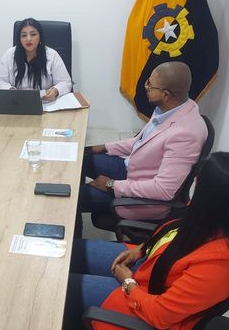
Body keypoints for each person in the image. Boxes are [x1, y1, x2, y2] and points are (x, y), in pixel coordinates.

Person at [65, 152, 229, 330]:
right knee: (69, 252)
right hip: (149, 264)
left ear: (213, 200)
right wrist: (141, 249)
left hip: (145, 304)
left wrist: (128, 282)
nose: (192, 185)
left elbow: (159, 315)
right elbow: (171, 234)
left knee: (62, 288)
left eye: (198, 183)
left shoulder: (220, 266)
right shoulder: (214, 219)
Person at [78, 62, 206, 224]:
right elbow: (140, 142)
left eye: (150, 85)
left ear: (165, 94)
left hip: (143, 200)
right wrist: (103, 147)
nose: (146, 87)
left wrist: (112, 185)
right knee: (81, 160)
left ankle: (72, 236)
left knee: (74, 197)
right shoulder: (171, 108)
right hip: (134, 168)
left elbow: (163, 190)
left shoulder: (185, 135)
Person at [0, 18, 72, 102]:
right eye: (24, 35)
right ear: (19, 39)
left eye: (33, 34)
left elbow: (65, 82)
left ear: (40, 37)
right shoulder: (9, 55)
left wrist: (56, 91)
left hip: (45, 103)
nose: (28, 39)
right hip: (16, 103)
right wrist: (11, 92)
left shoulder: (52, 55)